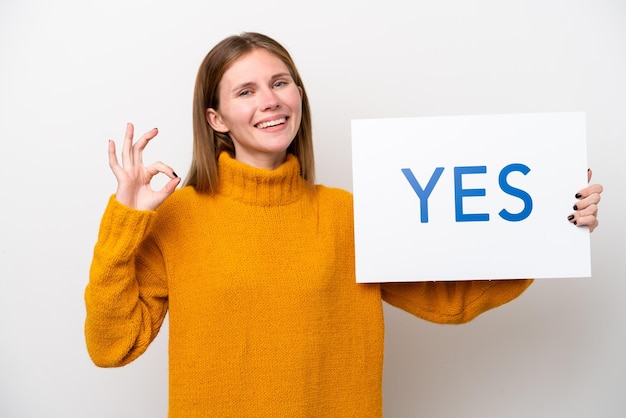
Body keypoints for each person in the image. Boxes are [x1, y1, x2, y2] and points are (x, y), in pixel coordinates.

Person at [84, 32, 603, 417]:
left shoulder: (350, 215)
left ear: (298, 96)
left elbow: (453, 300)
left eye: (280, 83)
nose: (270, 100)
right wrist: (125, 219)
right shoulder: (178, 217)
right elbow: (112, 346)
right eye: (245, 91)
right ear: (215, 119)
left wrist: (551, 228)